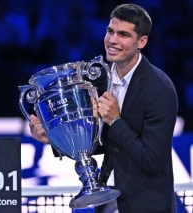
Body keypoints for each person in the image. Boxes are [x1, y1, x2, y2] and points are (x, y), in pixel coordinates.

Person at [29, 3, 178, 213]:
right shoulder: (99, 78)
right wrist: (54, 138)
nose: (113, 40)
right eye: (110, 31)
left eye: (123, 34)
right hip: (108, 202)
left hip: (144, 205)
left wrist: (115, 121)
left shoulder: (159, 88)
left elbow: (152, 159)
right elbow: (102, 142)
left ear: (141, 42)